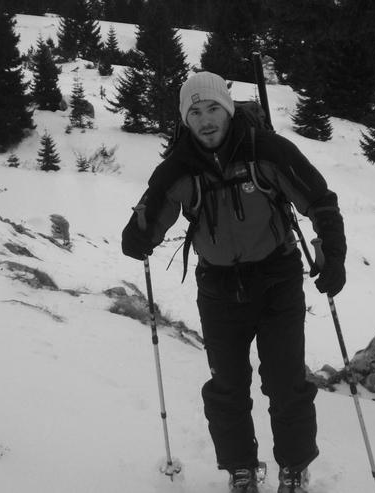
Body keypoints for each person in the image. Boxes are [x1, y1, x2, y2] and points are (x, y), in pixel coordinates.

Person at [121, 71, 346, 493]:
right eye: (195, 113)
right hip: (218, 287)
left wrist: (333, 255)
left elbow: (319, 200)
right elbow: (151, 212)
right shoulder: (179, 168)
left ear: (227, 109)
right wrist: (138, 236)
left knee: (285, 383)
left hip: (277, 280)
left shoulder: (268, 151)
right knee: (227, 387)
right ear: (185, 120)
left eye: (213, 109)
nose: (205, 120)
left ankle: (294, 469)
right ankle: (241, 470)